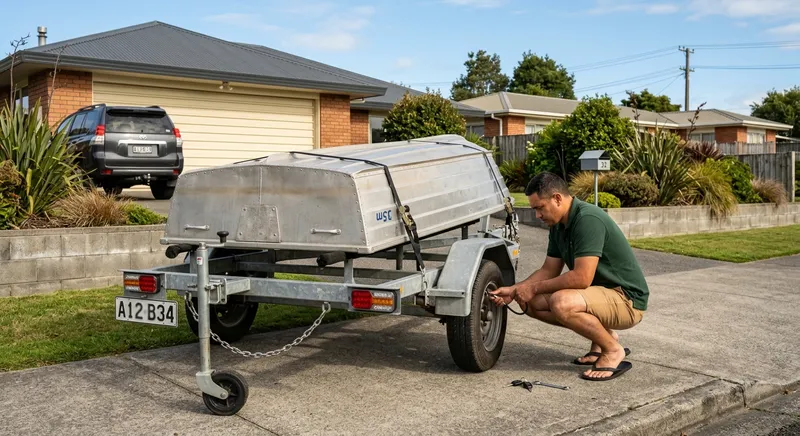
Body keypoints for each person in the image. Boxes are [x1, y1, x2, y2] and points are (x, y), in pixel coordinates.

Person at [489, 172, 650, 381]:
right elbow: (548, 270)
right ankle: (604, 338)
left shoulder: (587, 219)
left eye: (539, 208)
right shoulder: (558, 226)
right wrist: (516, 289)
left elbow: (581, 278)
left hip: (627, 300)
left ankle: (612, 350)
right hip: (601, 295)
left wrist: (534, 288)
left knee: (561, 302)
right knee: (531, 302)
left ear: (557, 198)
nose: (537, 215)